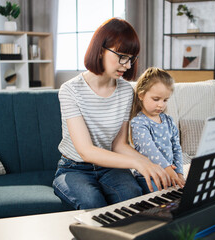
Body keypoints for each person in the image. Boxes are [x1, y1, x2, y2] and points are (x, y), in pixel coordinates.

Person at [52, 18, 171, 210]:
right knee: (92, 203)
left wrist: (151, 164)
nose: (128, 65)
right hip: (74, 168)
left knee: (132, 197)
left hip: (110, 167)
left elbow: (119, 144)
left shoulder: (125, 91)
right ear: (100, 50)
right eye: (122, 56)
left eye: (131, 58)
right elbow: (86, 151)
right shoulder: (70, 90)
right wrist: (136, 162)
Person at [130, 67, 185, 194]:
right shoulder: (139, 123)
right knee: (159, 203)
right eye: (156, 99)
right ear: (141, 95)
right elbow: (151, 151)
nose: (161, 104)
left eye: (165, 100)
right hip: (148, 176)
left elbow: (176, 147)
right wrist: (168, 170)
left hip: (169, 173)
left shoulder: (168, 120)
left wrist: (179, 173)